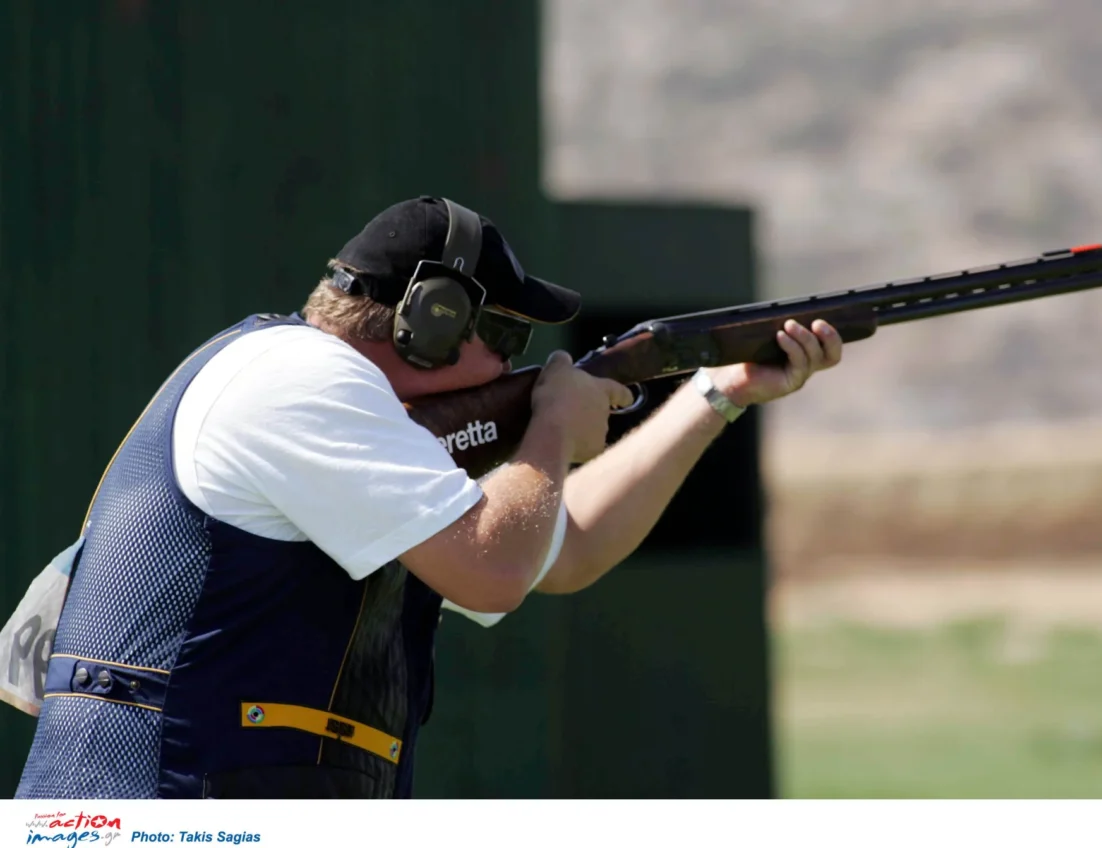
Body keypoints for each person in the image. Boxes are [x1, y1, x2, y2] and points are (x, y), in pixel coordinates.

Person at [12, 195, 842, 799]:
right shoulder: (300, 377)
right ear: (431, 321)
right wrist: (552, 429)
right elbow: (495, 569)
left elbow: (570, 544)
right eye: (508, 339)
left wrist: (716, 395)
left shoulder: (328, 408)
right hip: (154, 803)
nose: (521, 364)